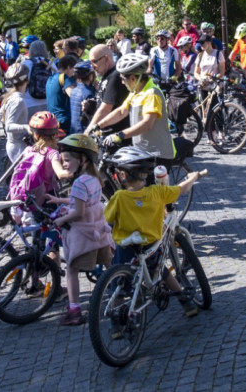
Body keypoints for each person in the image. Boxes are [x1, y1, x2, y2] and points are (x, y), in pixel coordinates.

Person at [103, 145, 201, 320]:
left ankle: (115, 322)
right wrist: (192, 178)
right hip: (150, 245)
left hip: (126, 248)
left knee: (119, 283)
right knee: (160, 270)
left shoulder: (118, 198)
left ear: (123, 175)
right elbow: (181, 189)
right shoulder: (157, 192)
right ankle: (185, 300)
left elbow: (107, 218)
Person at [45, 134, 113, 326]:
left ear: (82, 159)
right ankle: (121, 293)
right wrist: (60, 200)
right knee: (110, 265)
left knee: (72, 269)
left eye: (67, 160)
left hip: (83, 235)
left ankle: (74, 310)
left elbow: (78, 211)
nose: (64, 164)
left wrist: (60, 221)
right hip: (99, 230)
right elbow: (84, 200)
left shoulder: (78, 183)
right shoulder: (93, 178)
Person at [95, 53, 175, 164]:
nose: (122, 82)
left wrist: (120, 135)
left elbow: (147, 124)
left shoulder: (152, 93)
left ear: (133, 78)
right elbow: (121, 111)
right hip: (142, 151)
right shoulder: (136, 92)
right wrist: (98, 125)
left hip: (158, 153)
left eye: (123, 79)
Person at [7, 111, 71, 223]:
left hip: (31, 197)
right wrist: (78, 170)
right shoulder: (52, 153)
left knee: (35, 225)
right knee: (54, 228)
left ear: (35, 135)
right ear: (55, 134)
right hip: (48, 197)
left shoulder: (28, 150)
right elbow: (60, 174)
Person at [85, 45, 130, 139]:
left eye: (94, 61)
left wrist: (88, 131)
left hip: (115, 136)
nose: (92, 66)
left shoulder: (115, 76)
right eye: (90, 62)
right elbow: (104, 99)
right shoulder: (105, 75)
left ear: (106, 59)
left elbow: (105, 108)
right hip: (105, 134)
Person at [0, 62, 30, 164]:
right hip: (18, 147)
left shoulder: (11, 96)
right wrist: (26, 127)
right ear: (27, 79)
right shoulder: (18, 100)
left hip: (12, 144)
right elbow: (8, 126)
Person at [21, 39, 53, 116]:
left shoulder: (26, 63)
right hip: (47, 103)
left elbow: (20, 82)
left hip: (29, 103)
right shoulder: (51, 64)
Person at [46, 54, 77, 132]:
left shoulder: (50, 78)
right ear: (69, 67)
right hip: (65, 119)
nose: (74, 72)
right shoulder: (64, 77)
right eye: (74, 68)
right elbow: (74, 96)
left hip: (52, 119)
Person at [69, 61, 96, 134]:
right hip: (83, 131)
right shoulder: (89, 93)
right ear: (91, 76)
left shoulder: (74, 90)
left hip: (74, 130)